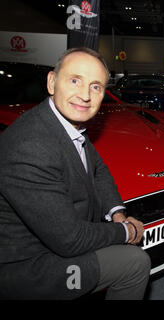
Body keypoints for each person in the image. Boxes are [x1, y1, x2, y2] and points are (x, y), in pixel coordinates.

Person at [0, 47, 150, 299]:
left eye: (95, 87)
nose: (85, 95)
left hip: (56, 241)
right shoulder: (30, 146)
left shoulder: (63, 121)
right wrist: (128, 231)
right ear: (51, 82)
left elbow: (98, 169)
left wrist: (117, 212)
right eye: (74, 80)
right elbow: (70, 240)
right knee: (135, 262)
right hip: (26, 267)